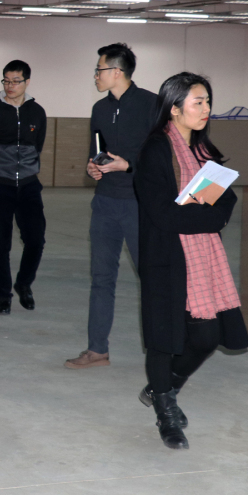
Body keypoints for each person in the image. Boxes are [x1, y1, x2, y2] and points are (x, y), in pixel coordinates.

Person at [133, 72, 248, 450]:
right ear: (174, 108)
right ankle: (166, 414)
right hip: (165, 257)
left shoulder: (202, 151)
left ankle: (163, 388)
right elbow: (163, 214)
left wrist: (211, 214)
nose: (206, 109)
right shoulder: (155, 150)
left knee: (206, 337)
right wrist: (209, 217)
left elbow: (225, 200)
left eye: (208, 101)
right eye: (198, 102)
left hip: (202, 257)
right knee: (163, 340)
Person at [66, 43, 157, 368]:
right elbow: (97, 151)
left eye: (99, 70)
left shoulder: (151, 105)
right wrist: (93, 168)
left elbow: (163, 157)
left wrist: (129, 165)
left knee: (152, 279)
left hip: (138, 205)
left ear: (117, 72)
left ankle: (163, 352)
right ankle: (97, 349)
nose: (95, 75)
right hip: (105, 203)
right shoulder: (99, 109)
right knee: (101, 278)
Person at [0, 60, 47, 315]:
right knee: (1, 244)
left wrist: (26, 169)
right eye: (6, 81)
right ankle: (3, 297)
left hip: (29, 186)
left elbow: (38, 145)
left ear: (27, 82)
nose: (10, 86)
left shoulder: (37, 112)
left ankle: (24, 284)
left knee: (36, 239)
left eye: (16, 81)